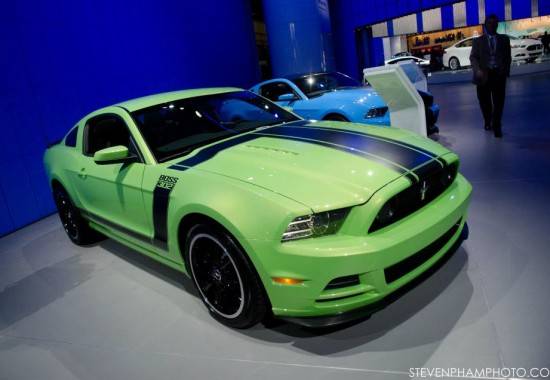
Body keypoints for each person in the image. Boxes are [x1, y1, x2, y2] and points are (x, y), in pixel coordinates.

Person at [470, 14, 511, 138]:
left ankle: (497, 126)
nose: (492, 25)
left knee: (499, 103)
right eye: (489, 23)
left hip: (499, 75)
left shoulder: (504, 40)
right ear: (485, 25)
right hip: (483, 75)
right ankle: (488, 121)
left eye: (494, 23)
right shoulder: (478, 41)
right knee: (485, 103)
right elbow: (473, 57)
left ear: (497, 25)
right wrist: (477, 70)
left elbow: (508, 57)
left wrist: (505, 71)